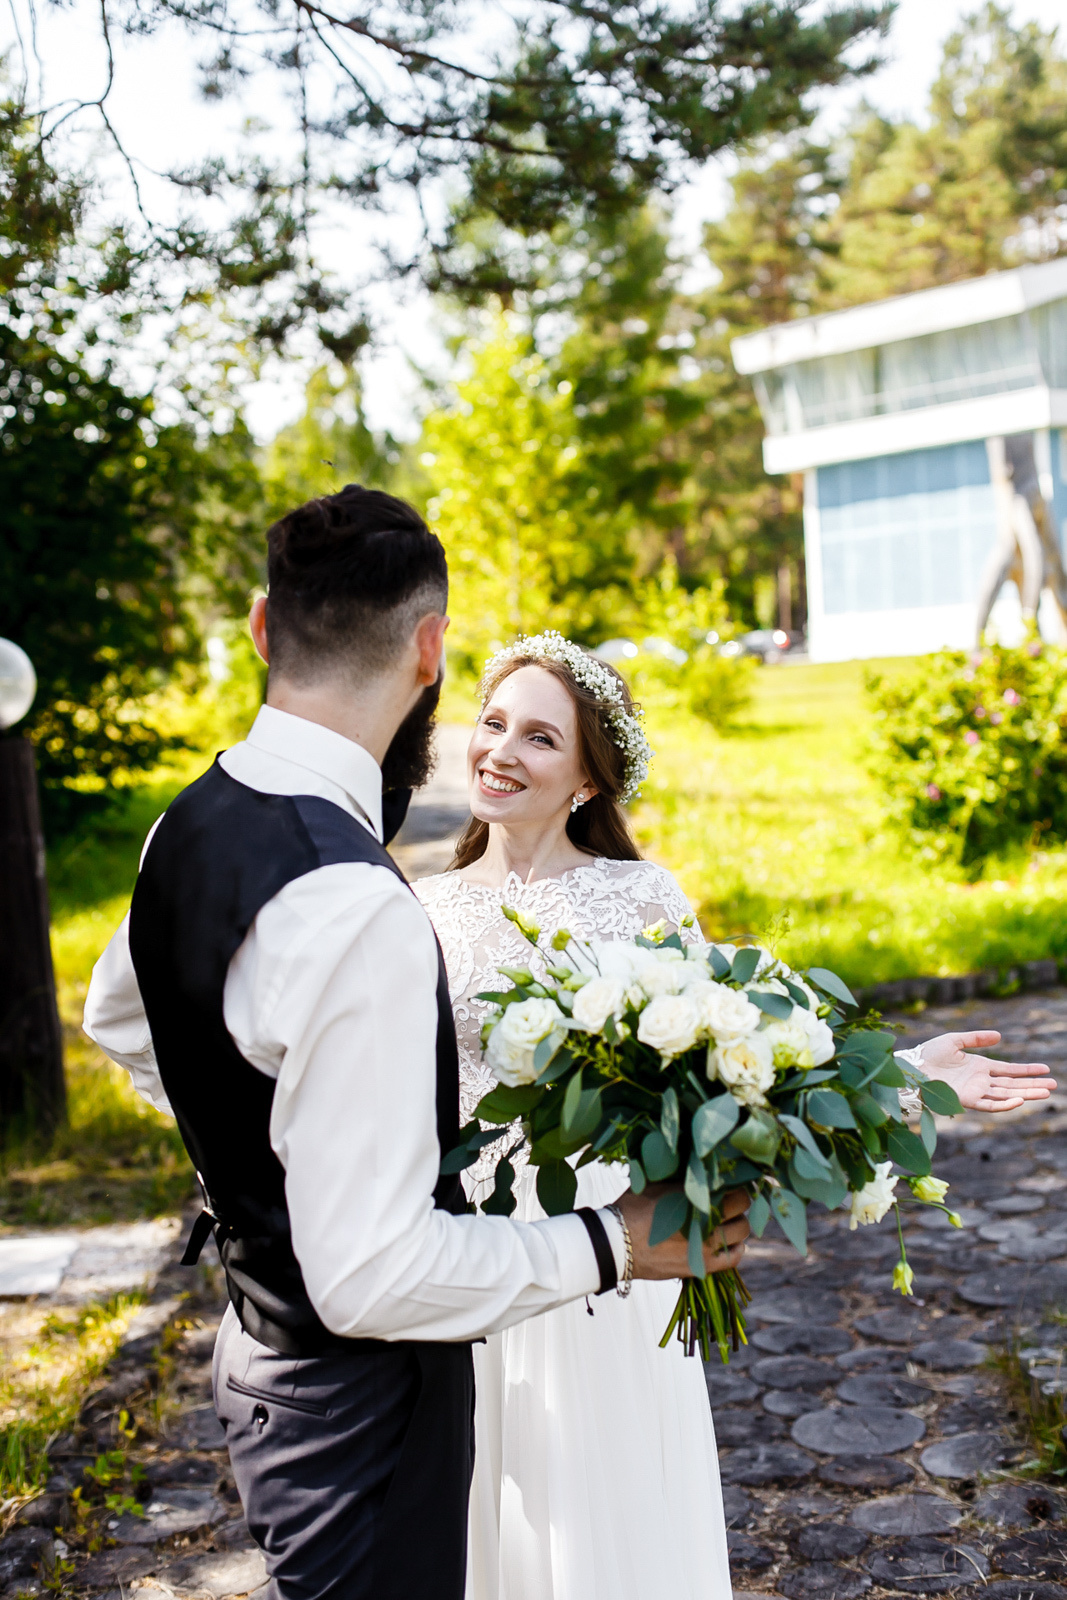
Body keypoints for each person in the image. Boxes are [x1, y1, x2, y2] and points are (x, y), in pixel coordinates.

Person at [81, 488, 750, 1600]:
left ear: (260, 626)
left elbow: (120, 1012)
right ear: (432, 650)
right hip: (365, 1391)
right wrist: (610, 1247)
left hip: (262, 1364)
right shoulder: (368, 907)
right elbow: (372, 1275)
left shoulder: (184, 824)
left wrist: (258, 1159)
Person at [412, 630, 1057, 1600]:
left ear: (588, 778)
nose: (501, 750)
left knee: (607, 1506)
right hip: (470, 1250)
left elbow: (742, 1059)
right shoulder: (415, 908)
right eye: (492, 721)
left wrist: (907, 1078)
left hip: (618, 1252)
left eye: (540, 738)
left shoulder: (637, 896)